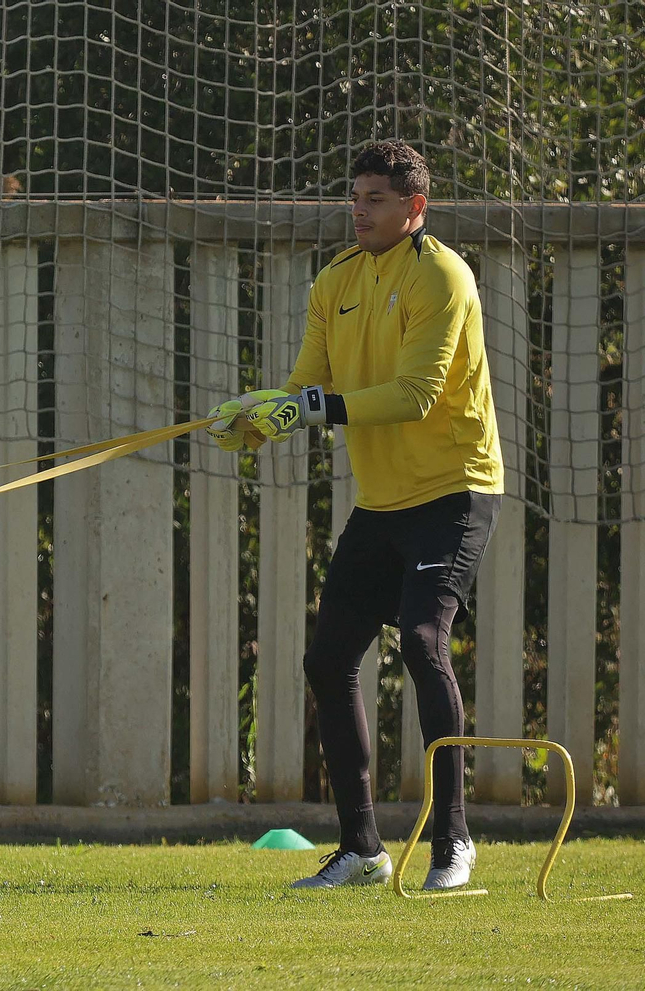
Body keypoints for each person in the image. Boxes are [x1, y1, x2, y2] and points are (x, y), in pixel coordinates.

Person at [207, 139, 503, 891]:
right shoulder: (334, 280)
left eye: (376, 199)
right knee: (329, 657)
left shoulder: (442, 276)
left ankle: (453, 841)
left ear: (415, 207)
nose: (360, 210)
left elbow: (413, 395)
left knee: (423, 638)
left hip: (455, 489)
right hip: (382, 502)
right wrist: (254, 417)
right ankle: (362, 847)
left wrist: (306, 406)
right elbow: (307, 386)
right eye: (356, 196)